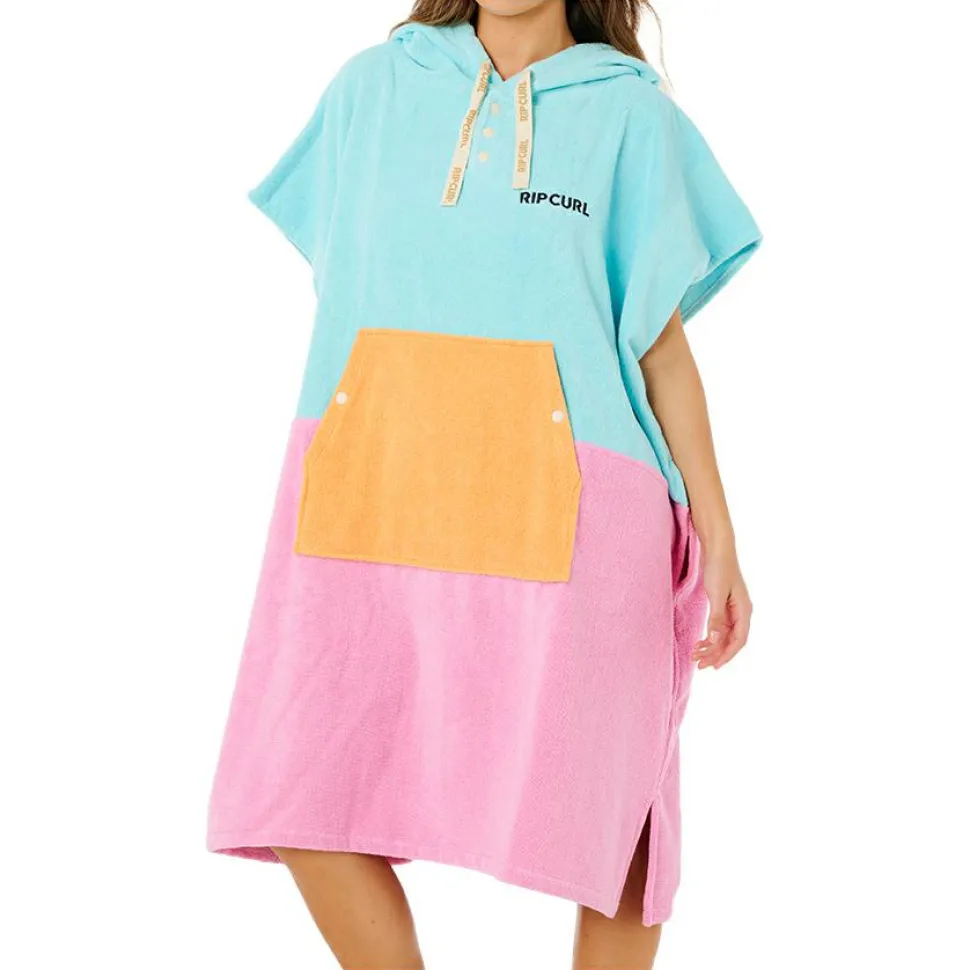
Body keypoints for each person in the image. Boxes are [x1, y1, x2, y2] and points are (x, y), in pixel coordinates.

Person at [206, 1, 762, 966]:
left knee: (615, 806)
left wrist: (720, 533)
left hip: (582, 504)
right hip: (374, 486)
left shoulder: (631, 116)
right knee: (297, 782)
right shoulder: (372, 91)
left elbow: (662, 349)